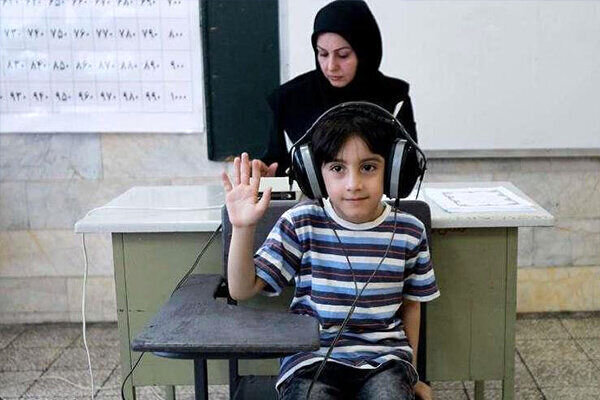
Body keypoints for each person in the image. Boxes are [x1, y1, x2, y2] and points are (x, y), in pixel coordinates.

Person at [222, 110, 439, 399]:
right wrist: (242, 227)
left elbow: (412, 305)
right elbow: (241, 289)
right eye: (337, 168)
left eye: (368, 167)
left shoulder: (409, 231)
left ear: (393, 172)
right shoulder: (302, 222)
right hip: (311, 359)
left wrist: (413, 374)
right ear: (314, 175)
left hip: (386, 361)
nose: (353, 184)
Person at [260, 0, 419, 177]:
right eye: (323, 53)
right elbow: (275, 164)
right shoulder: (289, 100)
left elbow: (409, 168)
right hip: (307, 195)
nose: (331, 66)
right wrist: (265, 173)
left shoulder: (395, 98)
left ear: (365, 53)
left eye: (343, 55)